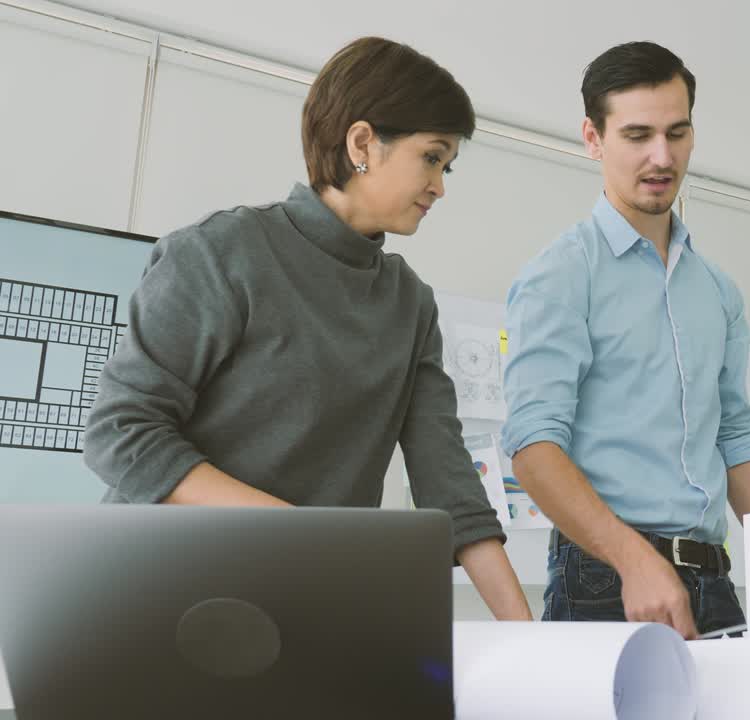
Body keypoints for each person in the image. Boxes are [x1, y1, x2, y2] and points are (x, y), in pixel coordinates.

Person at [84, 36, 531, 621]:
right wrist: (297, 534)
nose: (440, 185)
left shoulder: (409, 304)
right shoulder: (222, 254)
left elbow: (450, 485)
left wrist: (525, 635)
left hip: (295, 607)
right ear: (363, 143)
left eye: (447, 166)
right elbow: (122, 431)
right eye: (431, 157)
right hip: (153, 596)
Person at [501, 41, 750, 638]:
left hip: (713, 580)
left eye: (677, 132)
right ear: (593, 138)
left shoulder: (718, 290)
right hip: (603, 578)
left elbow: (735, 434)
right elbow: (534, 447)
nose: (661, 156)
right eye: (638, 135)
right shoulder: (561, 273)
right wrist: (633, 559)